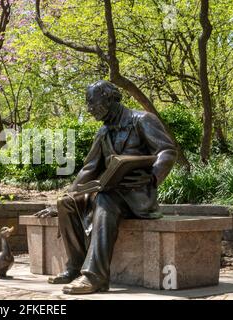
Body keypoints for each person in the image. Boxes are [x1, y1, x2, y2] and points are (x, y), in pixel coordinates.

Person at [35, 80, 177, 294]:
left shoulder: (142, 120)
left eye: (92, 102)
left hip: (137, 196)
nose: (89, 108)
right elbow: (88, 169)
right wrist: (69, 194)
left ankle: (96, 277)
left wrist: (153, 178)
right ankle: (76, 266)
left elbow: (166, 151)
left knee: (104, 198)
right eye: (88, 103)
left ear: (110, 99)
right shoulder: (103, 132)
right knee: (66, 203)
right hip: (110, 191)